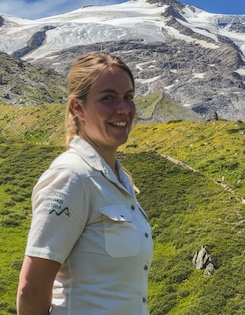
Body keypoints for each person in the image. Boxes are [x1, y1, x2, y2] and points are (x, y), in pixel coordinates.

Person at [16, 52, 153, 314]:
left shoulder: (117, 179)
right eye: (108, 98)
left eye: (128, 97)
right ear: (78, 108)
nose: (123, 108)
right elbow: (30, 288)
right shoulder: (71, 176)